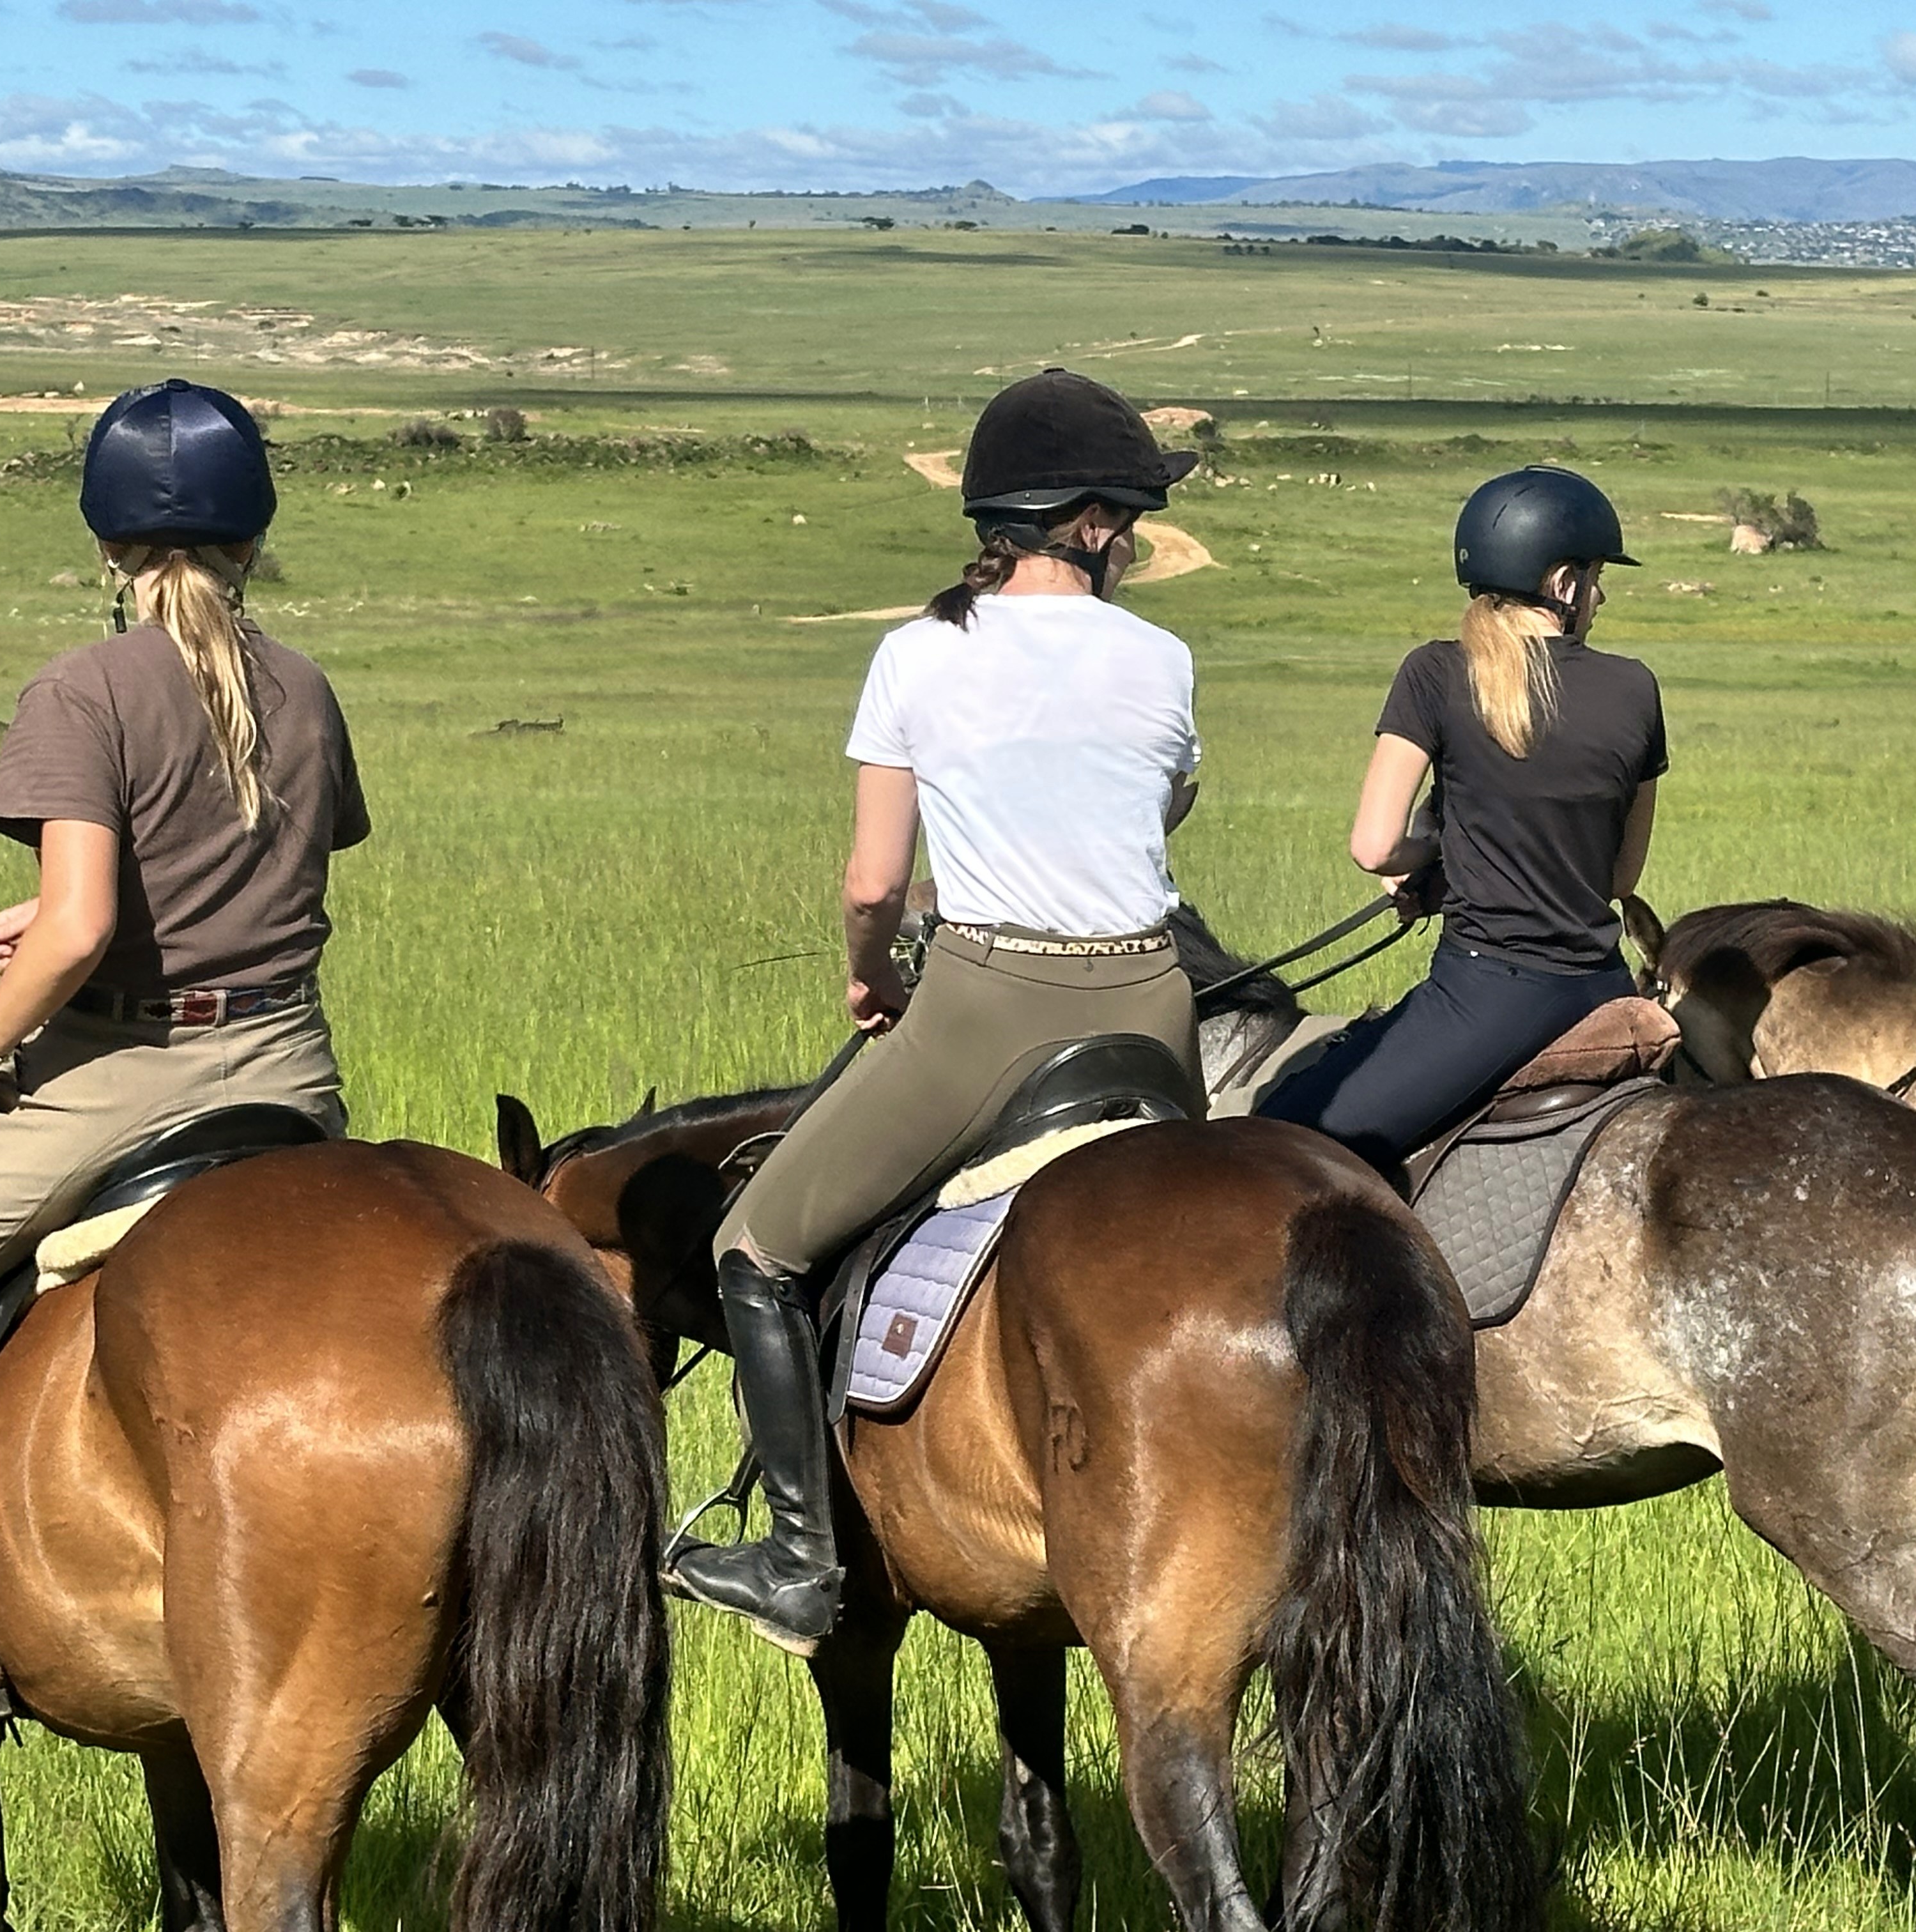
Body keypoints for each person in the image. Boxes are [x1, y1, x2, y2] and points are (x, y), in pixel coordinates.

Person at [0, 378, 365, 1749]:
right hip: (289, 1072)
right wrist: (58, 925)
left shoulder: (84, 686)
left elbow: (88, 924)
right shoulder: (302, 684)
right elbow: (245, 874)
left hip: (128, 1074)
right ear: (252, 530)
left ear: (110, 540)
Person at [671, 369, 1207, 1655]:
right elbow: (1164, 806)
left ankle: (801, 1561)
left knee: (756, 1245)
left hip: (984, 1002)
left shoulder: (916, 656)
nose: (1129, 541)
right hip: (1156, 1003)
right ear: (1087, 523)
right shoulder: (1164, 656)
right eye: (1126, 521)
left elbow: (872, 883)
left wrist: (875, 979)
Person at [1255, 466, 1665, 1176]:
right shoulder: (1635, 685)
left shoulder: (1434, 673)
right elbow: (1620, 876)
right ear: (1563, 583)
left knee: (1280, 1142)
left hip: (1488, 996)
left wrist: (1434, 855)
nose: (1599, 596)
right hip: (1602, 984)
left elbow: (1376, 846)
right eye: (1597, 578)